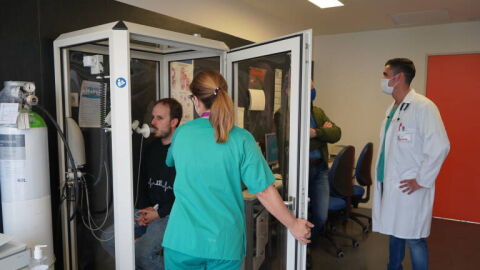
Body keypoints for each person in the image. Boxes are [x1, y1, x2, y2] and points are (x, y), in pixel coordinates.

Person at [162, 69, 313, 269]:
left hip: (182, 241)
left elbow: (170, 162)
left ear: (196, 100)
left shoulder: (181, 133)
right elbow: (264, 190)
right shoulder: (242, 138)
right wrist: (293, 224)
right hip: (224, 243)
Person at [373, 58, 450, 270]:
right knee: (394, 232)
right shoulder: (393, 108)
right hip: (389, 184)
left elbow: (440, 146)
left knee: (414, 239)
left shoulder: (423, 107)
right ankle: (393, 267)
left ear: (398, 78)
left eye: (385, 75)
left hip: (410, 187)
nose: (383, 79)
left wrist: (421, 180)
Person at [101, 98, 182, 270]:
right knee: (108, 238)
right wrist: (145, 212)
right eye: (153, 117)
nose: (152, 123)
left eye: (160, 118)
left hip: (171, 215)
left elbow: (186, 195)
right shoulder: (151, 148)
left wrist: (158, 213)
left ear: (174, 122)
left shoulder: (184, 151)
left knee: (143, 253)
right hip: (149, 210)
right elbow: (143, 185)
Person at [309, 81, 341, 240]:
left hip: (320, 169)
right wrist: (323, 134)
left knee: (321, 216)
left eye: (313, 87)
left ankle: (308, 243)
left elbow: (336, 133)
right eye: (309, 88)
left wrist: (315, 133)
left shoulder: (318, 112)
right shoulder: (285, 113)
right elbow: (297, 143)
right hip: (302, 171)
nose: (312, 91)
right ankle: (302, 251)